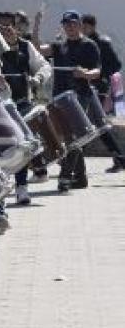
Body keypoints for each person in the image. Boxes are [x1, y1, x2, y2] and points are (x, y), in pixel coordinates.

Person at [32, 10, 101, 192]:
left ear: (79, 25)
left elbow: (97, 72)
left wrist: (85, 74)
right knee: (70, 137)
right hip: (60, 98)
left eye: (72, 23)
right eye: (66, 24)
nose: (69, 27)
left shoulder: (89, 45)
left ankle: (65, 176)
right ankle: (80, 177)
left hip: (81, 95)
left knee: (77, 137)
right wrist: (36, 25)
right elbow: (37, 49)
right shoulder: (59, 46)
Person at [0, 11, 52, 207]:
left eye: (9, 26)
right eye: (0, 26)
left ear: (16, 27)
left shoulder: (26, 47)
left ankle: (22, 187)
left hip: (21, 103)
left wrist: (38, 78)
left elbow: (44, 66)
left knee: (21, 145)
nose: (5, 30)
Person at [80, 14, 125, 172]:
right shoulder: (83, 43)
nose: (81, 29)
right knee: (94, 124)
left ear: (91, 26)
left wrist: (99, 73)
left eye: (83, 26)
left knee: (95, 124)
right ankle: (120, 158)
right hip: (86, 87)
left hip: (99, 87)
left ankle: (120, 158)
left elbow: (116, 65)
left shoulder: (102, 43)